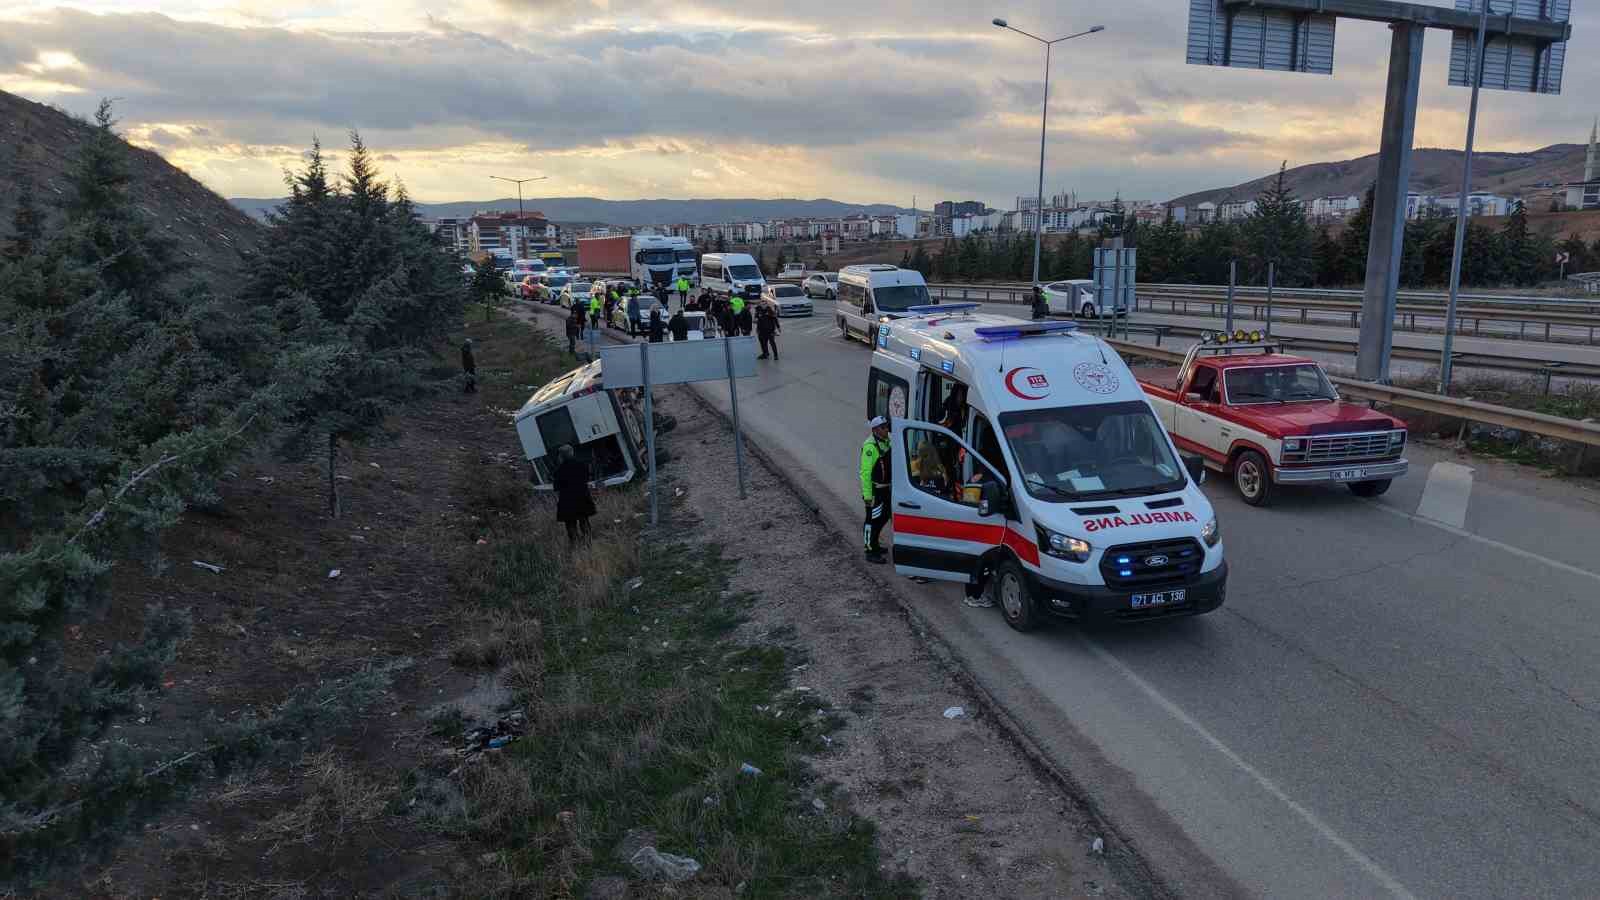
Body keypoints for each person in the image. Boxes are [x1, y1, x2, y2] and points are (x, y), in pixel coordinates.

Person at [860, 416, 892, 563]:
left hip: (886, 489)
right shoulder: (870, 447)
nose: (886, 429)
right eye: (883, 427)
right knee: (872, 520)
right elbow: (865, 473)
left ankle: (875, 544)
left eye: (886, 426)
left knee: (883, 517)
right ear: (875, 430)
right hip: (875, 492)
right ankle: (869, 550)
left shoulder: (887, 441)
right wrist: (867, 496)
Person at [552, 444, 595, 545]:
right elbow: (587, 478)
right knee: (584, 520)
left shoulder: (558, 470)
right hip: (582, 497)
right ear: (572, 453)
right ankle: (588, 543)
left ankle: (575, 545)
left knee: (570, 524)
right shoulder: (582, 465)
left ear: (561, 456)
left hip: (567, 500)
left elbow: (556, 487)